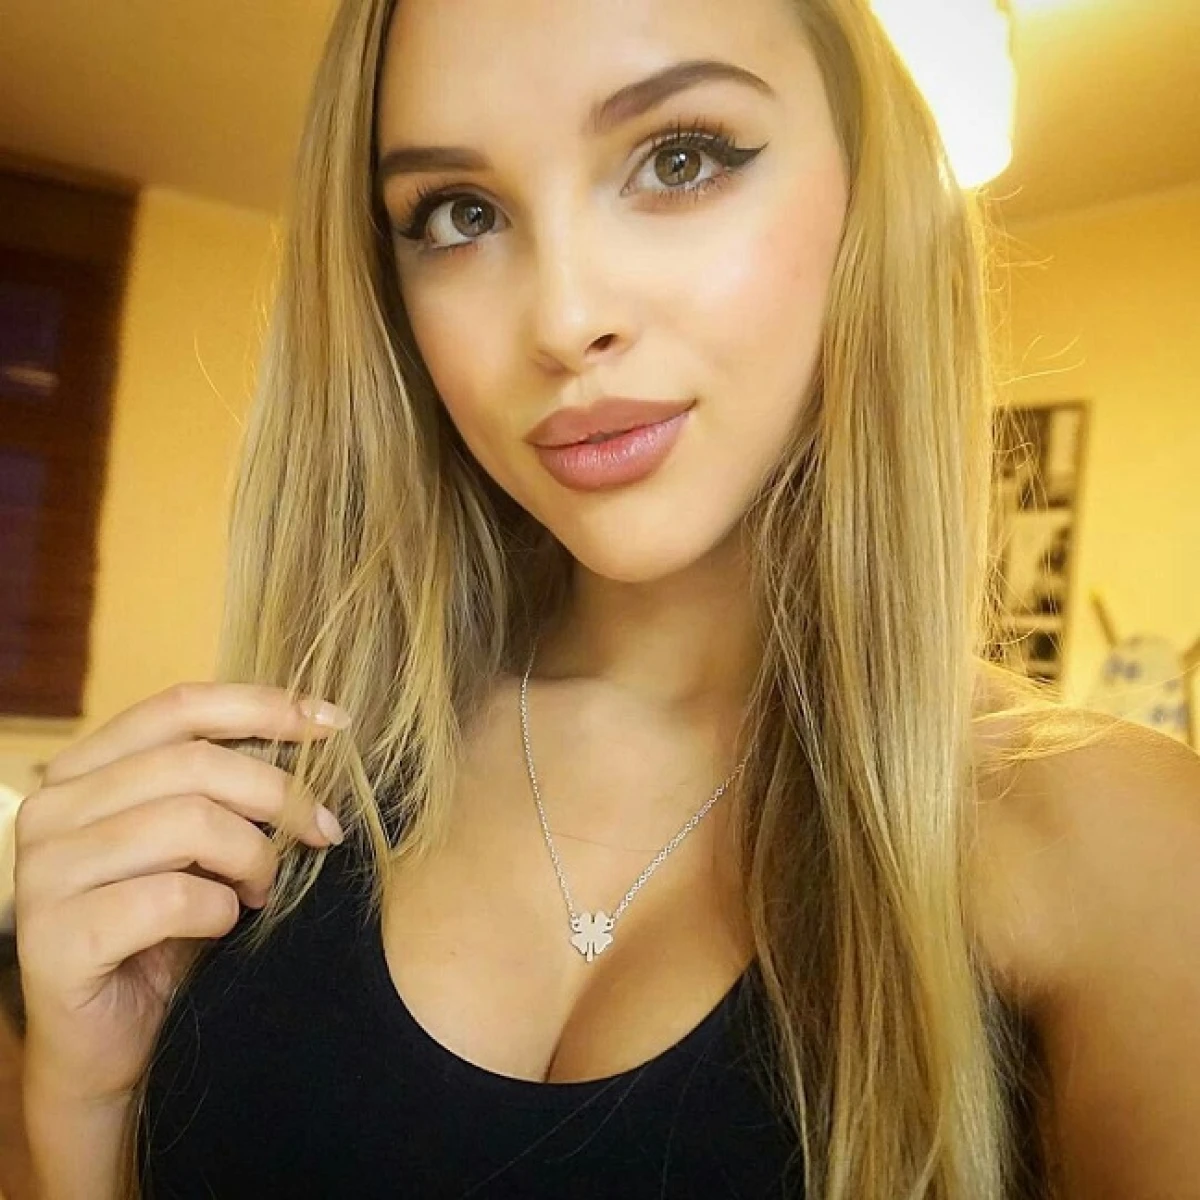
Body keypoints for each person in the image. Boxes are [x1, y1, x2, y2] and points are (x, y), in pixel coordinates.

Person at [14, 0, 1200, 1196]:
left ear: (869, 191)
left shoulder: (1125, 850)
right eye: (460, 214)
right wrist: (86, 1106)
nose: (566, 319)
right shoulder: (306, 789)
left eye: (680, 159)